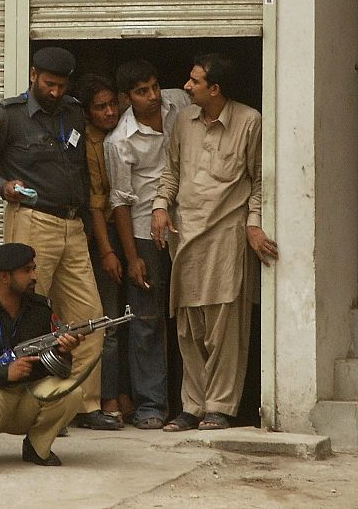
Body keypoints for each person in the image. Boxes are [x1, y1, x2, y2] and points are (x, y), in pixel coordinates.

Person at [0, 47, 115, 431]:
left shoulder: (74, 111)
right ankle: (35, 407)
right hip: (32, 222)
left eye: (62, 86)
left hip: (72, 225)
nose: (55, 92)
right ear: (33, 75)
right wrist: (4, 186)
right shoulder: (8, 115)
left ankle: (81, 404)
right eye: (49, 84)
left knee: (89, 318)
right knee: (30, 317)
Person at [151, 53, 277, 432]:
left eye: (194, 81)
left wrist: (254, 225)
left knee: (225, 326)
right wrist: (160, 206)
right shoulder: (183, 122)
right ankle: (191, 406)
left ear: (215, 88)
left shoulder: (249, 122)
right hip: (186, 237)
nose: (186, 87)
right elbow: (170, 172)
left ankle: (219, 407)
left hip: (227, 235)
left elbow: (259, 182)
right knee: (189, 328)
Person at [104, 60, 191, 430]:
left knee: (192, 317)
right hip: (144, 234)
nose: (153, 96)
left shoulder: (180, 102)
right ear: (127, 98)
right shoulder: (119, 141)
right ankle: (151, 406)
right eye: (142, 91)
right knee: (146, 322)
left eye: (155, 86)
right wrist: (132, 256)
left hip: (189, 227)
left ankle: (193, 404)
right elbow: (120, 202)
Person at [0, 243, 84, 467]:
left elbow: (61, 371)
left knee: (72, 392)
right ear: (4, 277)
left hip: (29, 397)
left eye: (34, 268)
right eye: (27, 270)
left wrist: (63, 351)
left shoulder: (42, 309)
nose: (34, 276)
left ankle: (37, 447)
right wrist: (2, 372)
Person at [73, 72, 134, 429]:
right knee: (108, 322)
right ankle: (107, 397)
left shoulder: (123, 132)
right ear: (87, 112)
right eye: (101, 107)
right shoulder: (88, 143)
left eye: (113, 104)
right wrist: (108, 252)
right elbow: (97, 203)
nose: (110, 112)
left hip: (131, 228)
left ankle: (125, 393)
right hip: (102, 236)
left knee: (131, 321)